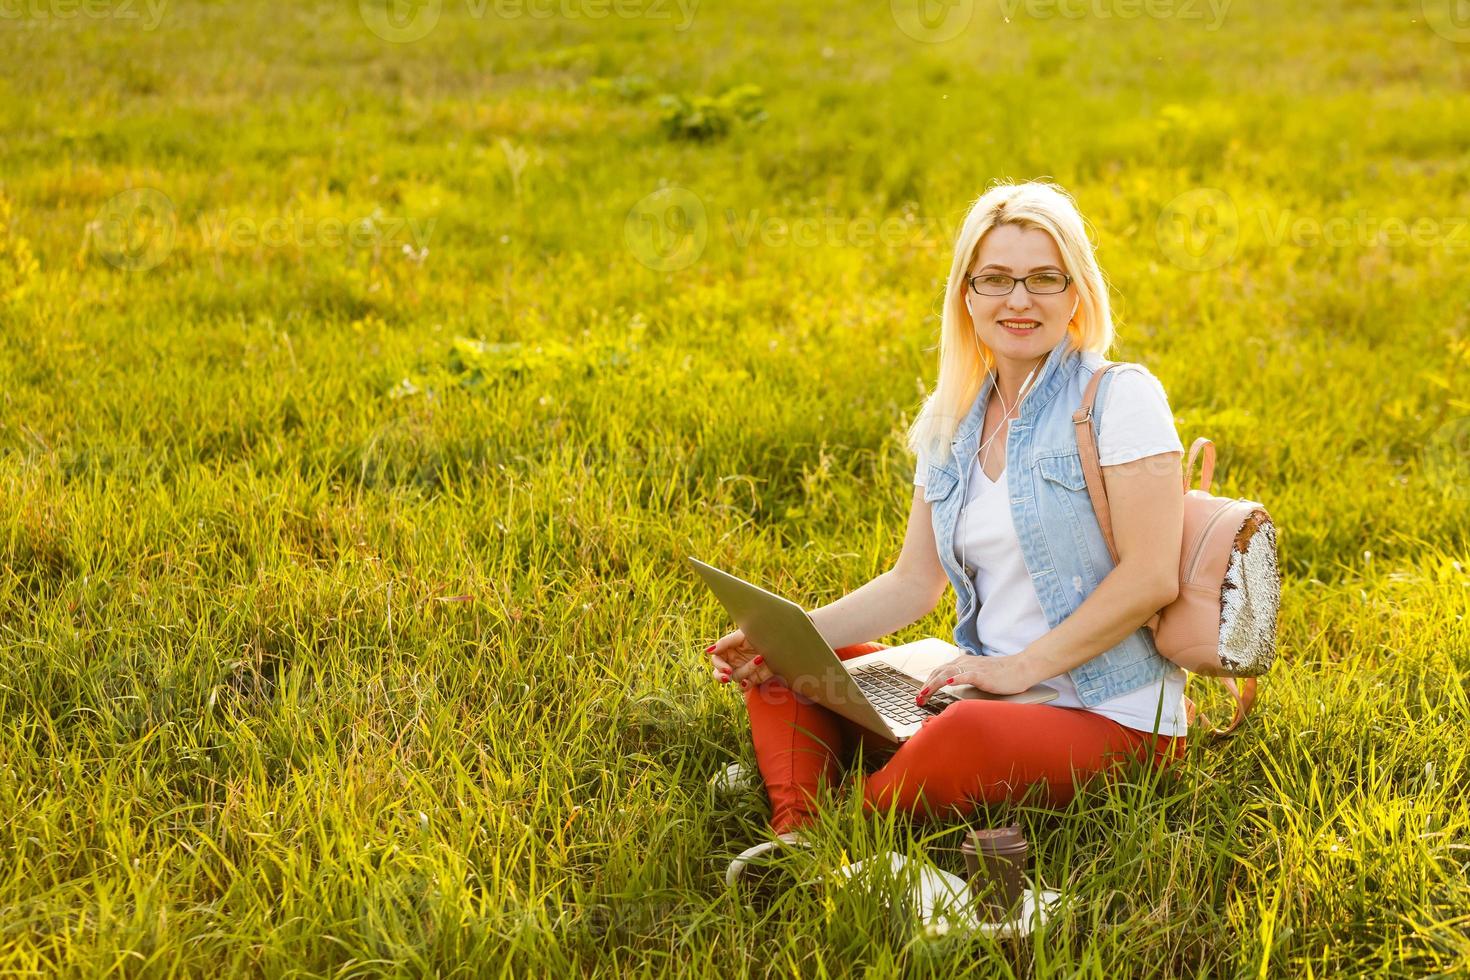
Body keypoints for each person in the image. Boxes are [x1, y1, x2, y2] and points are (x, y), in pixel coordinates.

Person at [707, 180, 1189, 872]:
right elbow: (913, 583)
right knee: (791, 669)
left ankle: (843, 820)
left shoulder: (1120, 397)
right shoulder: (953, 416)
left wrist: (1016, 670)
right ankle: (798, 830)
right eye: (995, 279)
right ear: (966, 294)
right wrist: (782, 637)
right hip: (978, 690)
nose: (1018, 300)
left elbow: (1149, 578)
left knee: (965, 729)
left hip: (1107, 712)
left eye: (1043, 279)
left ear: (1076, 293)